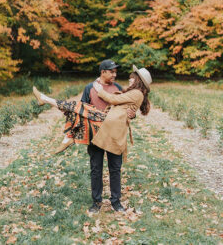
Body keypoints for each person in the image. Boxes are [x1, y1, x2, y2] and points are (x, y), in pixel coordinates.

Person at [33, 63, 152, 212]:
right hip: (96, 132)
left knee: (115, 169)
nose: (115, 75)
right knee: (96, 168)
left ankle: (116, 202)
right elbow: (83, 110)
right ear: (103, 72)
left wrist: (131, 113)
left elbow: (123, 105)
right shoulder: (90, 87)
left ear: (138, 81)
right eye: (112, 72)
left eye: (116, 72)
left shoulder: (119, 89)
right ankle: (96, 202)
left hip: (112, 131)